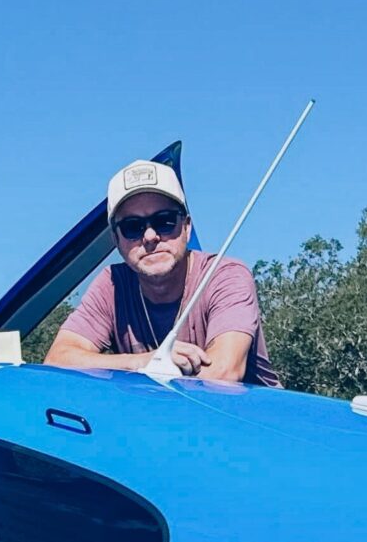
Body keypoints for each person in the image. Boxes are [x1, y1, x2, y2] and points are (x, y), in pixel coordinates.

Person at [46, 159, 281, 385]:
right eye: (132, 227)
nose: (150, 237)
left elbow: (224, 373)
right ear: (116, 240)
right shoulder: (112, 285)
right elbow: (57, 360)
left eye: (164, 221)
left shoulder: (225, 276)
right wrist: (142, 362)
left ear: (186, 228)